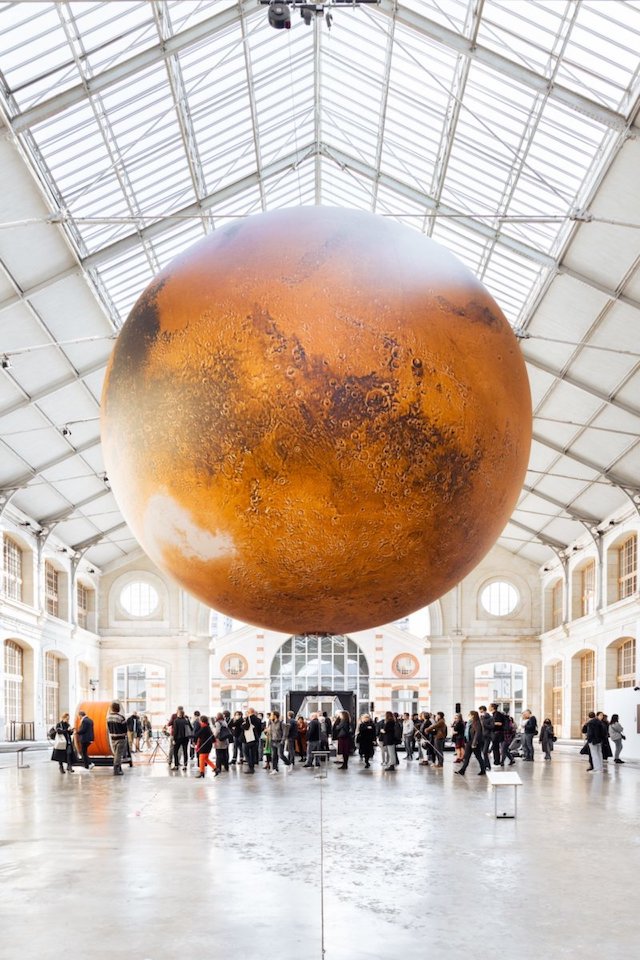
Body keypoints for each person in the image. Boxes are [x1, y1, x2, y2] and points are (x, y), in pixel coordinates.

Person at [455, 710, 485, 776]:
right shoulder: (469, 722)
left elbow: (478, 733)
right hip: (469, 742)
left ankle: (483, 770)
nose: (468, 715)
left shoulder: (477, 722)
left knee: (478, 756)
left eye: (470, 714)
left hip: (474, 742)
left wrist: (474, 743)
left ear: (473, 715)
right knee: (466, 756)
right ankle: (462, 770)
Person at [107, 701, 128, 776]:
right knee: (118, 754)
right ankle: (116, 769)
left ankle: (118, 768)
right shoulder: (121, 717)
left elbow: (108, 728)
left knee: (115, 753)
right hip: (121, 737)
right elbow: (125, 729)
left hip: (113, 737)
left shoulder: (108, 717)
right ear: (118, 708)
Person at [242, 708, 261, 773]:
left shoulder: (249, 718)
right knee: (253, 754)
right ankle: (252, 767)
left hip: (248, 739)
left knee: (246, 753)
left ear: (249, 712)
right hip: (255, 738)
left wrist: (243, 725)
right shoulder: (258, 719)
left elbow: (246, 727)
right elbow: (260, 729)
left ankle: (250, 767)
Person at [478, 706, 493, 771]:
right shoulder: (480, 717)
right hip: (481, 736)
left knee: (484, 752)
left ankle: (487, 765)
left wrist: (485, 725)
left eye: (480, 710)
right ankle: (486, 765)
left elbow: (492, 726)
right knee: (482, 751)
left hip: (487, 736)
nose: (480, 711)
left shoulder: (489, 717)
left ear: (483, 710)